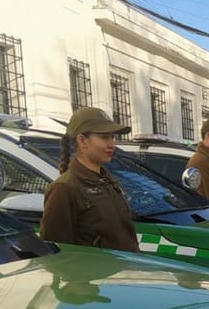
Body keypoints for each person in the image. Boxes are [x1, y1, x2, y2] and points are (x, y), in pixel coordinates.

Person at [40, 107, 139, 252]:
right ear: (82, 140)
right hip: (94, 274)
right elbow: (57, 253)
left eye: (113, 137)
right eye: (104, 137)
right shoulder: (64, 188)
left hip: (125, 271)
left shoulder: (107, 181)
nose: (112, 144)